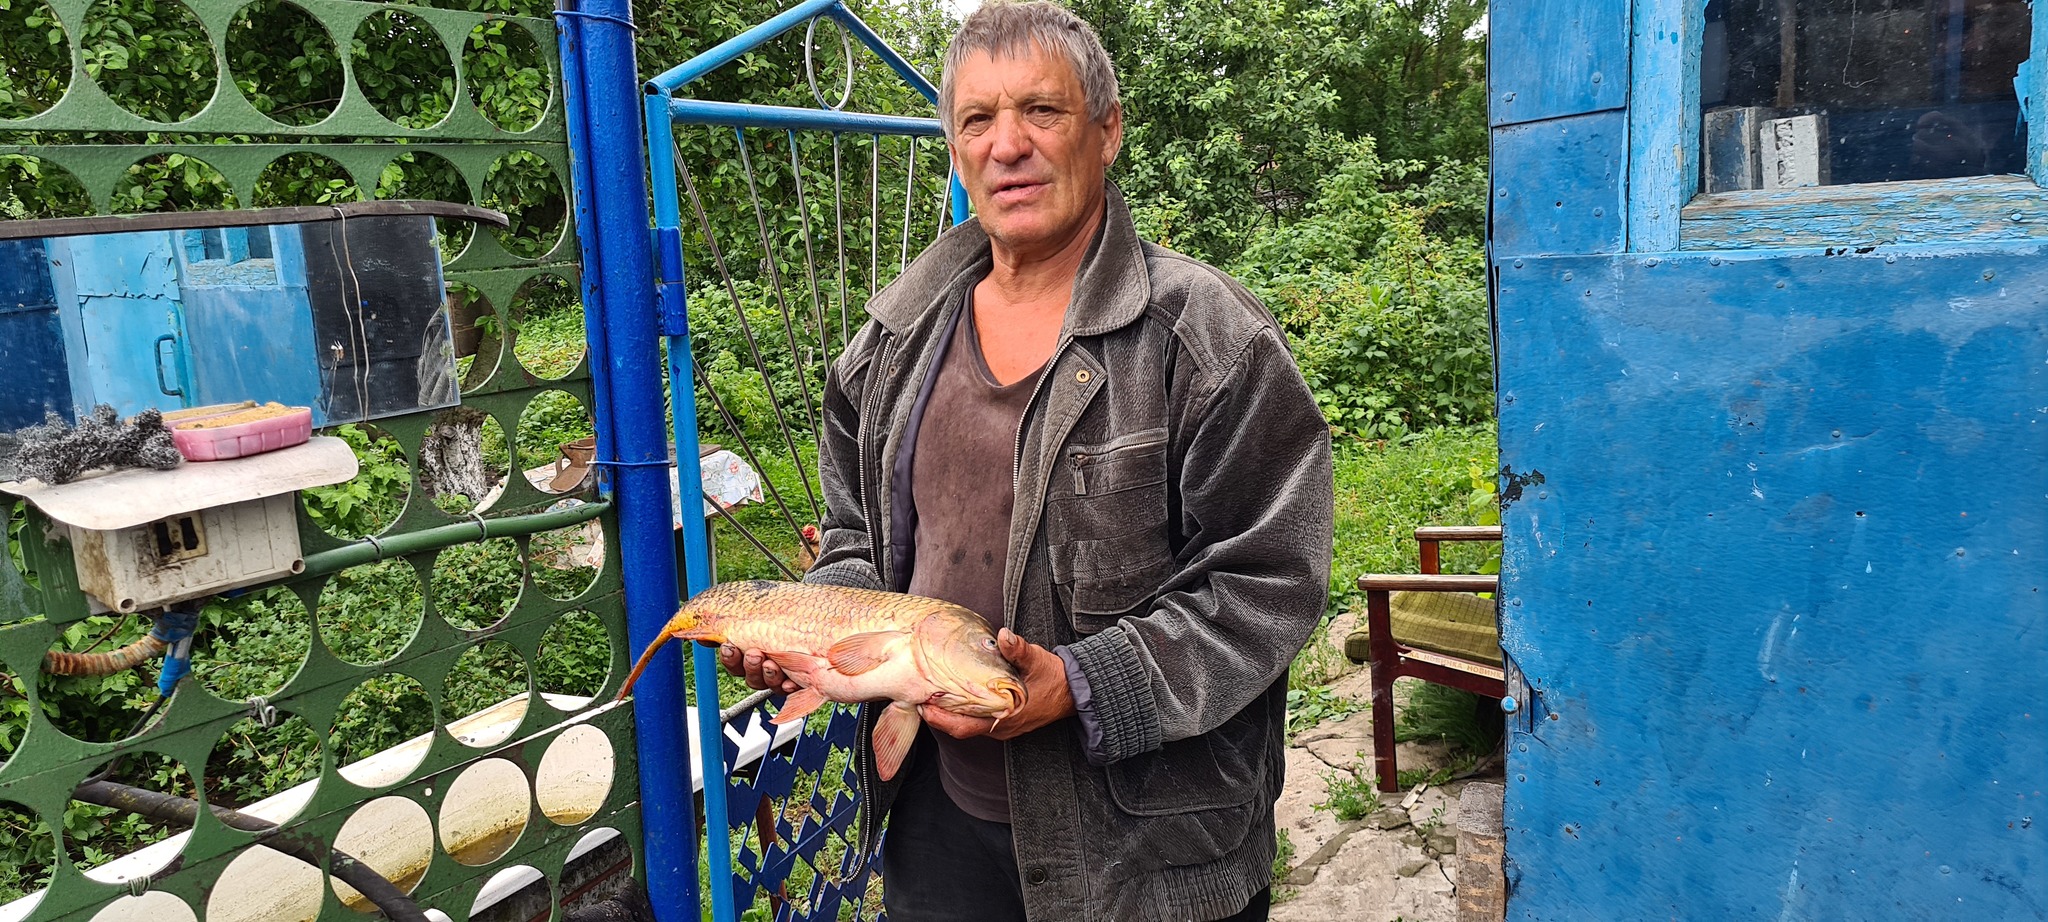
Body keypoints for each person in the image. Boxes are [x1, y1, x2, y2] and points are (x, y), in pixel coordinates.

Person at [720, 3, 1333, 919]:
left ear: (1107, 129)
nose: (1009, 145)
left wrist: (1083, 686)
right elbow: (857, 540)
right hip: (935, 823)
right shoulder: (890, 346)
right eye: (977, 120)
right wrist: (816, 637)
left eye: (1042, 111)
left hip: (1145, 852)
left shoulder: (1206, 340)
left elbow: (1267, 581)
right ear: (957, 149)